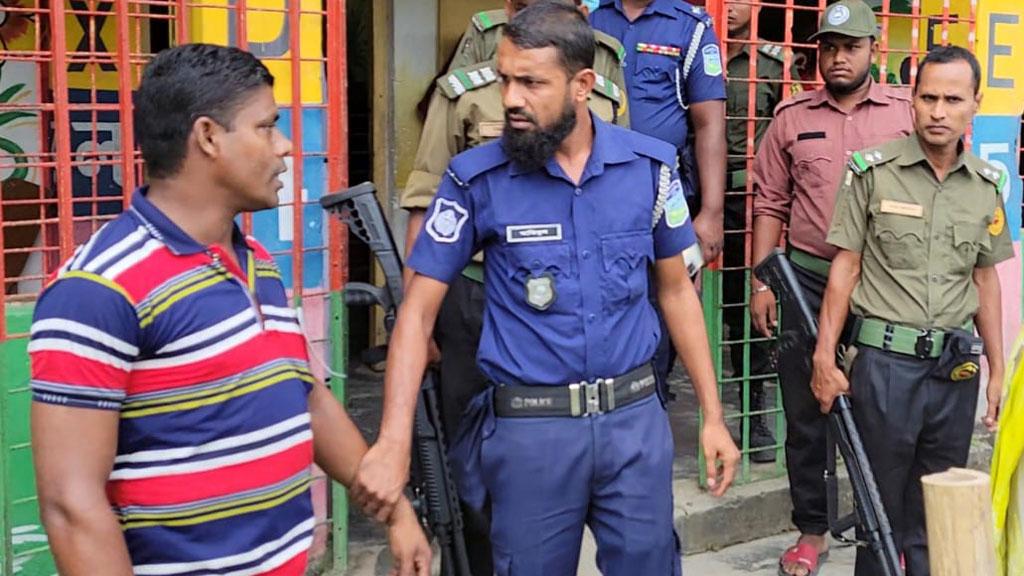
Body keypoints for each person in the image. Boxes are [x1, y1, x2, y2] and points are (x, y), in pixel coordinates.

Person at [354, 3, 739, 574]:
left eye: (531, 82)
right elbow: (415, 312)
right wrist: (391, 441)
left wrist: (712, 414)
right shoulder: (474, 180)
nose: (511, 98)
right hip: (531, 433)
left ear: (584, 85)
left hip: (634, 426)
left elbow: (678, 292)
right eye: (504, 78)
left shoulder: (649, 171)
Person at [28, 44, 430, 576]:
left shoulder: (255, 263)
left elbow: (304, 397)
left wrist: (396, 513)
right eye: (267, 126)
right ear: (208, 137)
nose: (285, 146)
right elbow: (71, 506)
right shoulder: (99, 288)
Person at [401, 2, 629, 573]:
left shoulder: (602, 73)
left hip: (572, 304)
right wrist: (415, 319)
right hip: (477, 296)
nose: (514, 95)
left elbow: (616, 186)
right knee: (471, 461)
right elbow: (426, 207)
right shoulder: (467, 91)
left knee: (564, 458)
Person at [813, 45, 1012, 576]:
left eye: (952, 99)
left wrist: (996, 369)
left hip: (955, 371)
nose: (938, 111)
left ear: (975, 104)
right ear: (911, 102)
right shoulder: (873, 173)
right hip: (884, 368)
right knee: (880, 515)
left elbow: (985, 279)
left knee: (939, 511)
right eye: (928, 98)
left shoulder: (987, 187)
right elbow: (845, 269)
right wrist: (824, 359)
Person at [748, 1, 914, 574]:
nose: (838, 58)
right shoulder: (793, 117)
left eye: (850, 47)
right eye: (828, 47)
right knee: (804, 413)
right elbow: (769, 202)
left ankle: (884, 526)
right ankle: (811, 531)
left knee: (884, 411)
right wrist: (765, 282)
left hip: (884, 284)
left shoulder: (907, 113)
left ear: (874, 50)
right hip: (808, 280)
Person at [589, 0, 727, 388]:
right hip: (594, 194)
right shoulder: (592, 20)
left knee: (663, 312)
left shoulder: (690, 27)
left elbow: (709, 124)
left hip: (663, 199)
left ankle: (652, 406)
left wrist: (711, 211)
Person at [723, 0, 801, 463]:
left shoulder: (773, 63)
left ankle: (756, 414)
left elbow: (789, 126)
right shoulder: (694, 51)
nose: (729, 8)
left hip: (753, 202)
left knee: (752, 308)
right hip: (693, 195)